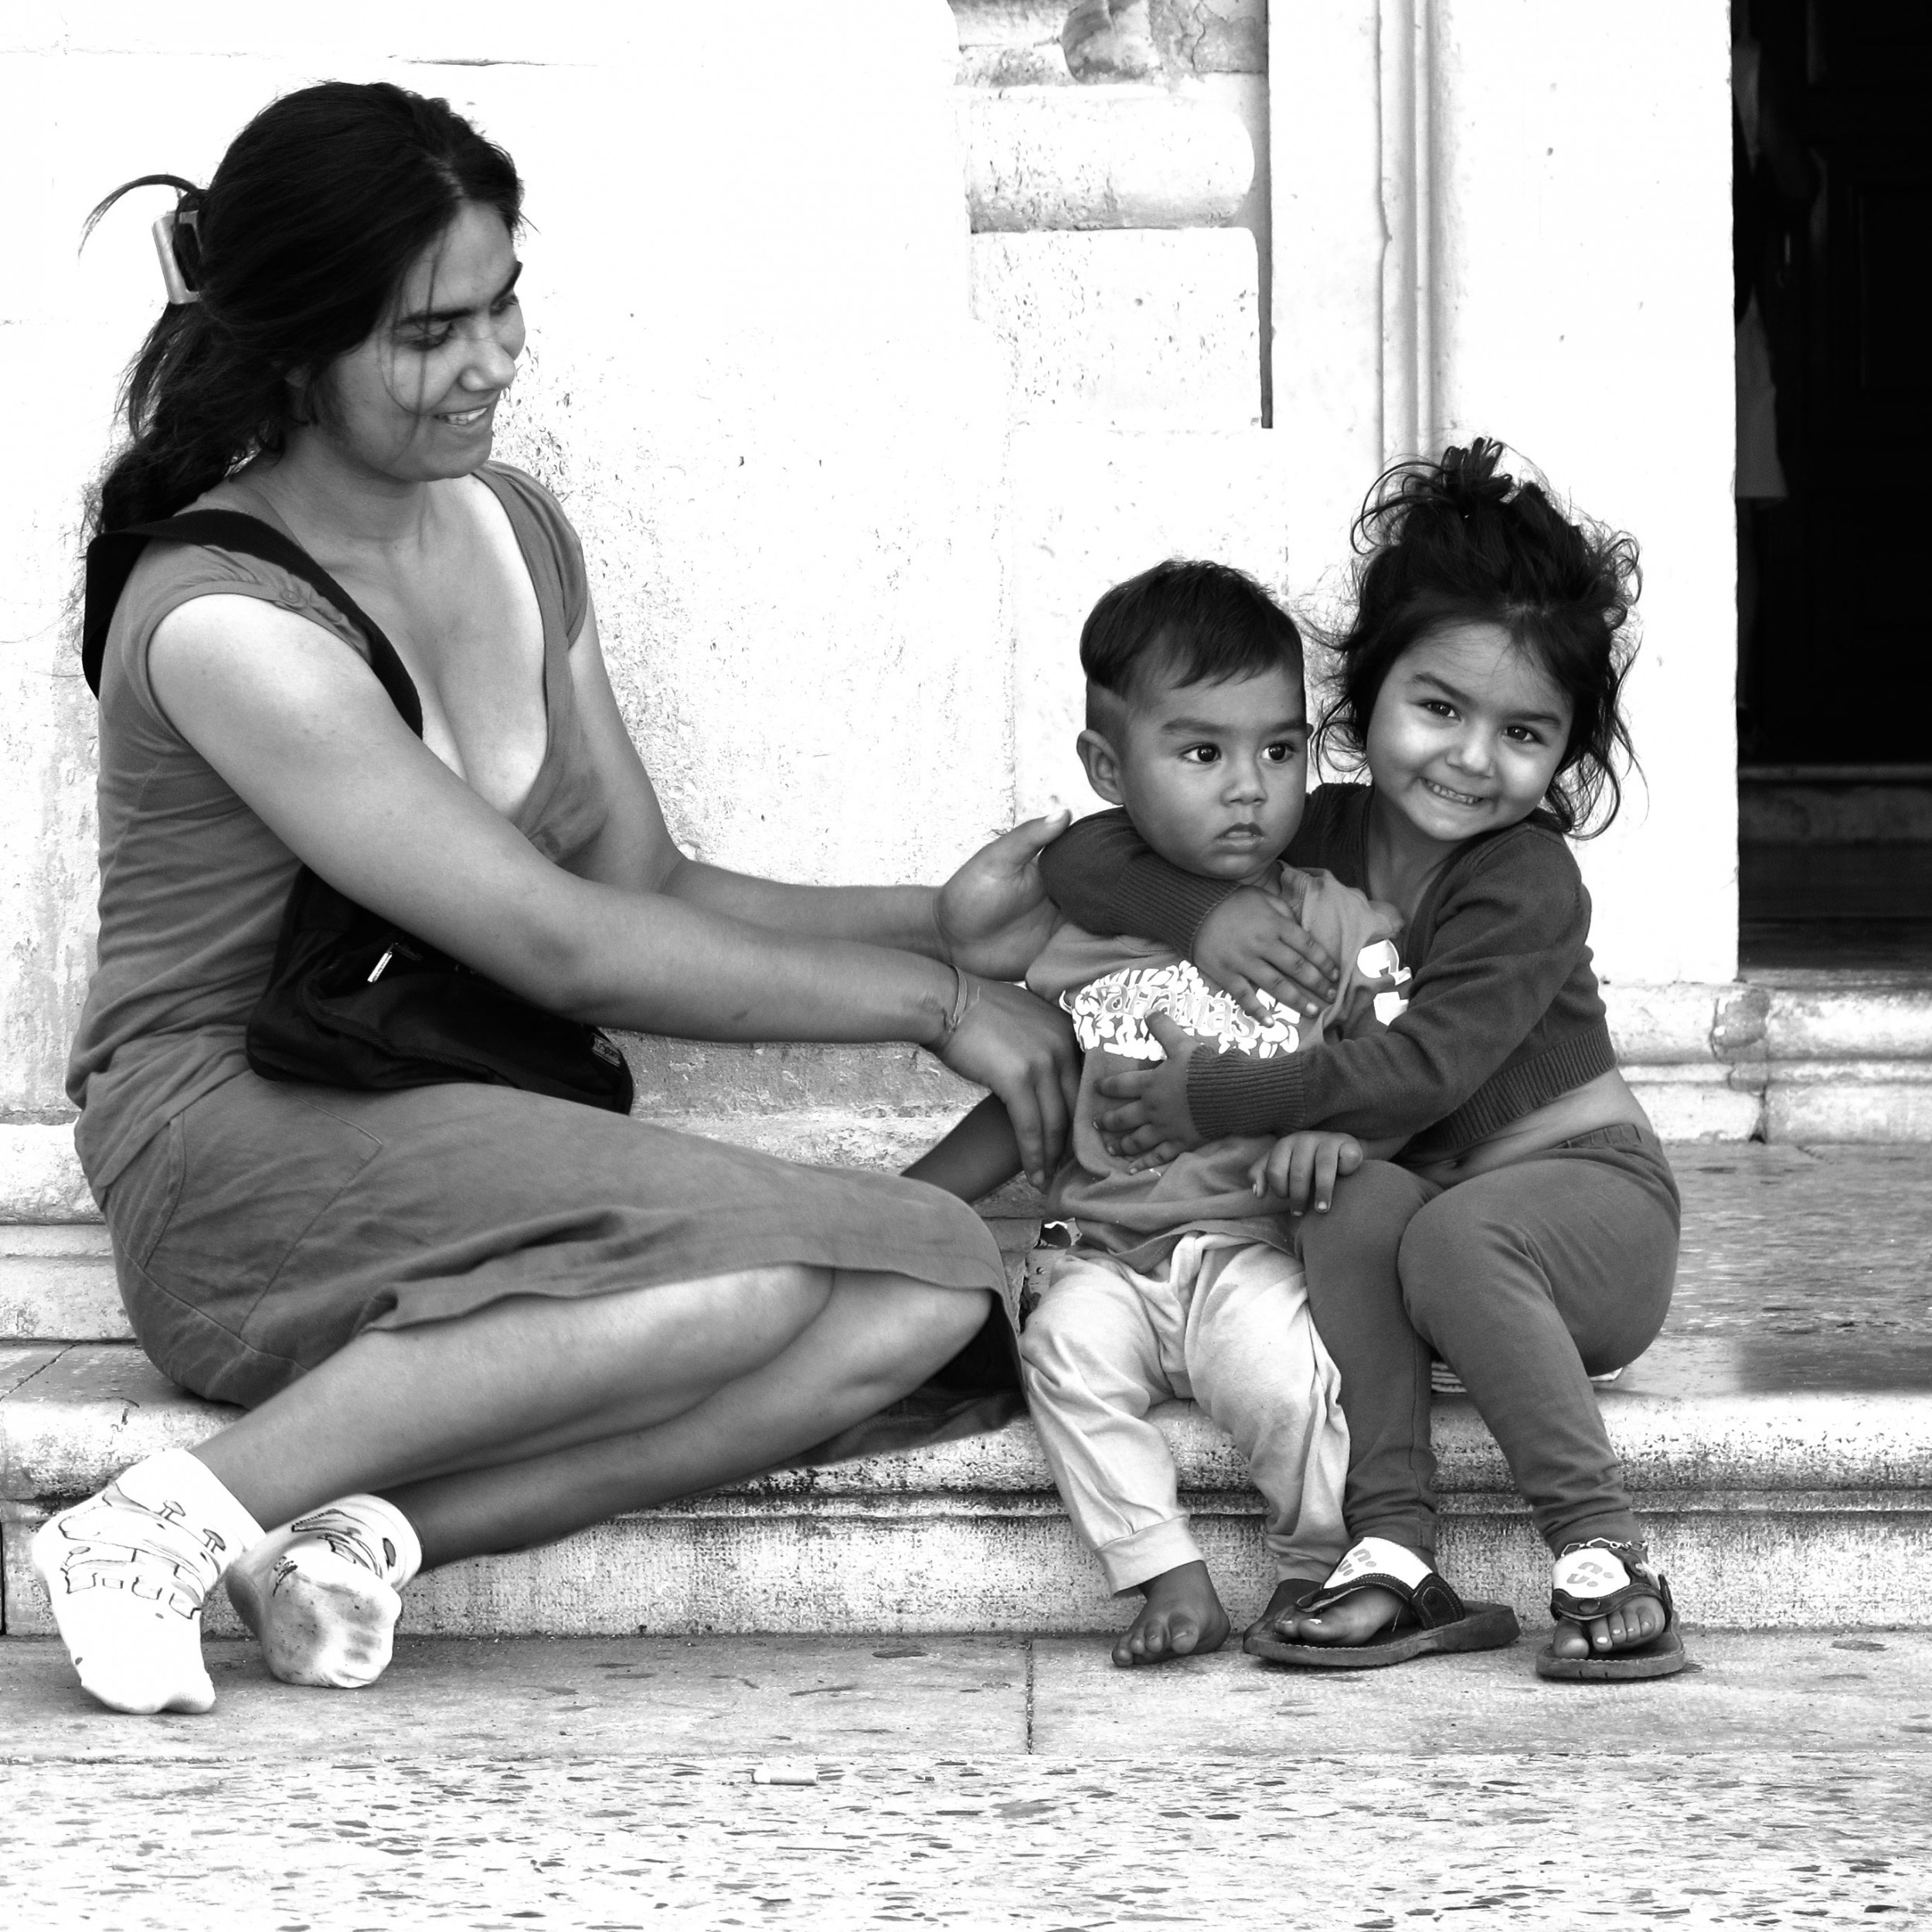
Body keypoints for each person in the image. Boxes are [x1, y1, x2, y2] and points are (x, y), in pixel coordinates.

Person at [36, 80, 1080, 1719]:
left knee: (929, 1289)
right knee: (745, 1271)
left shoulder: (518, 531)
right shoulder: (221, 618)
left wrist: (940, 925)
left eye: (502, 303)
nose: (491, 361)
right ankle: (160, 1521)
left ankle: (353, 1537)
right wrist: (937, 1008)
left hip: (446, 1120)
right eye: (429, 332)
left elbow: (642, 883)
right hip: (229, 1140)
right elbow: (556, 941)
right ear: (295, 350)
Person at [1038, 443, 1685, 1680]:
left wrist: (1207, 1096)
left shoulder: (1524, 879)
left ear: (1566, 752)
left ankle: (1604, 1548)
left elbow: (1422, 1075)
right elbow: (1081, 860)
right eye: (1440, 709)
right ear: (1366, 696)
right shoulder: (1312, 830)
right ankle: (1394, 1552)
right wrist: (1203, 917)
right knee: (1344, 1197)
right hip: (1422, 1219)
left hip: (1588, 1215)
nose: (1472, 758)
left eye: (1524, 732)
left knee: (1448, 1234)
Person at [907, 562, 1510, 1670]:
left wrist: (1350, 1140)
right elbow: (1029, 1067)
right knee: (1058, 1355)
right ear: (1109, 768)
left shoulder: (1340, 925)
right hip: (1106, 1254)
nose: (1249, 789)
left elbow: (1398, 1074)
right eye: (1202, 754)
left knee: (1283, 1375)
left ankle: (1317, 1561)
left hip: (1253, 1247)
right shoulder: (1082, 937)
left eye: (1279, 751)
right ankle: (1165, 1573)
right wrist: (910, 1203)